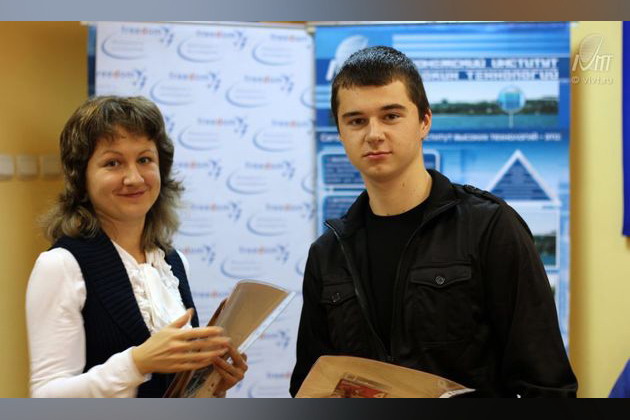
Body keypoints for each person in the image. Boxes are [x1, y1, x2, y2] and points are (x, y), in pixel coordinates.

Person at [290, 46, 577, 397]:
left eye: (391, 116)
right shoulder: (328, 254)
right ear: (340, 131)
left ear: (424, 121)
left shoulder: (489, 227)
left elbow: (547, 385)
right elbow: (309, 385)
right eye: (356, 121)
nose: (374, 133)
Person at [26, 96, 247, 398]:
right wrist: (136, 363)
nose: (134, 178)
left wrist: (209, 385)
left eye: (144, 160)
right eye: (113, 163)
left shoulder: (173, 262)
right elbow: (45, 398)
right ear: (81, 177)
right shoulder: (61, 266)